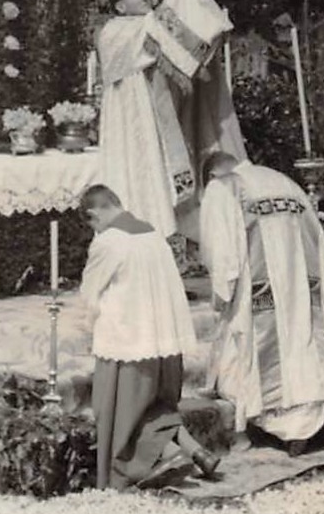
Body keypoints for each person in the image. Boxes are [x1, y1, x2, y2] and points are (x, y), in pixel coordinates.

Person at [200, 153, 324, 454]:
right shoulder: (288, 183)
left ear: (212, 174)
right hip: (302, 286)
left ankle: (275, 426)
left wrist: (221, 293)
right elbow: (320, 243)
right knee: (303, 347)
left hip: (259, 288)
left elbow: (220, 250)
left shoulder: (223, 188)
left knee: (251, 349)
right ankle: (308, 421)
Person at [78, 184, 219, 489]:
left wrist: (88, 328)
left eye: (91, 223)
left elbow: (90, 293)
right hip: (165, 344)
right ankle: (195, 451)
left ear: (94, 214)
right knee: (156, 407)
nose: (94, 230)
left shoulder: (109, 241)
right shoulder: (154, 235)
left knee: (119, 414)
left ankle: (164, 456)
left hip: (127, 342)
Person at [95, 0, 246, 245]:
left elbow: (173, 31)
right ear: (119, 6)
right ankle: (128, 231)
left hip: (146, 109)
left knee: (153, 167)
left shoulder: (143, 26)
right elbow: (170, 25)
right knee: (128, 170)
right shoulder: (115, 31)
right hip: (125, 114)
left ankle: (156, 233)